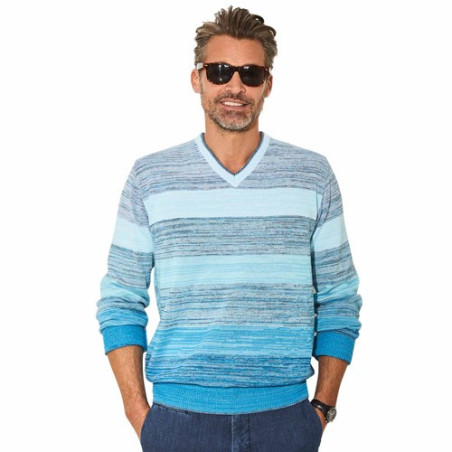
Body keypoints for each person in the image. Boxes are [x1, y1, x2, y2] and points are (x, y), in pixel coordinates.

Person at [96, 6, 362, 452]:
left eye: (250, 74)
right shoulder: (151, 177)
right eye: (220, 71)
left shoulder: (312, 175)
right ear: (197, 78)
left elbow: (339, 298)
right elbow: (121, 299)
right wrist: (138, 414)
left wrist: (321, 408)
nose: (234, 86)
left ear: (268, 84)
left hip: (287, 420)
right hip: (178, 423)